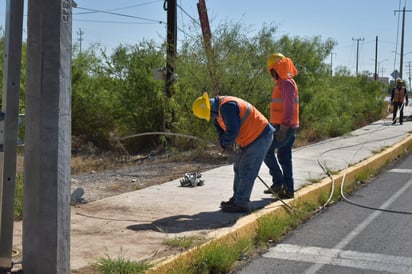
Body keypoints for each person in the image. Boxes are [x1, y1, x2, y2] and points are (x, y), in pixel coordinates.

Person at [192, 92, 275, 213]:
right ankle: (237, 199)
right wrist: (222, 144)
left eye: (209, 114)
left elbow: (232, 130)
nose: (211, 117)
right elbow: (221, 131)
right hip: (249, 139)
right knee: (238, 168)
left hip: (260, 136)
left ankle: (241, 203)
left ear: (210, 108)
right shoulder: (219, 113)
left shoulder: (227, 107)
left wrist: (222, 144)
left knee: (247, 170)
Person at [263, 53, 299, 199]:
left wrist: (283, 128)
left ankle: (279, 184)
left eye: (272, 70)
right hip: (284, 127)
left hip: (284, 128)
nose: (271, 74)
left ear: (276, 69)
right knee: (284, 158)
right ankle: (288, 190)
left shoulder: (285, 83)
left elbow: (289, 107)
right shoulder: (285, 83)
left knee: (266, 151)